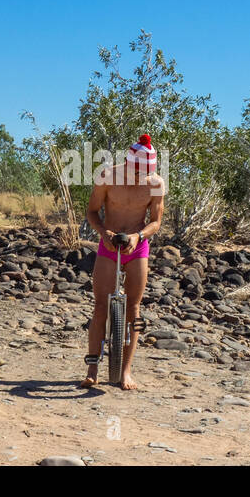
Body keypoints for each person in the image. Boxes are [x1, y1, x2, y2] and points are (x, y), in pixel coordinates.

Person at [81, 134, 164, 390]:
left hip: (137, 247)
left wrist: (138, 236)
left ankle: (126, 370)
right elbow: (92, 211)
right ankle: (92, 368)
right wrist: (104, 233)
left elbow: (156, 222)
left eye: (143, 174)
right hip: (108, 245)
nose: (137, 177)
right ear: (127, 164)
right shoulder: (108, 176)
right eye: (134, 172)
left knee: (134, 308)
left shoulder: (156, 184)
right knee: (100, 306)